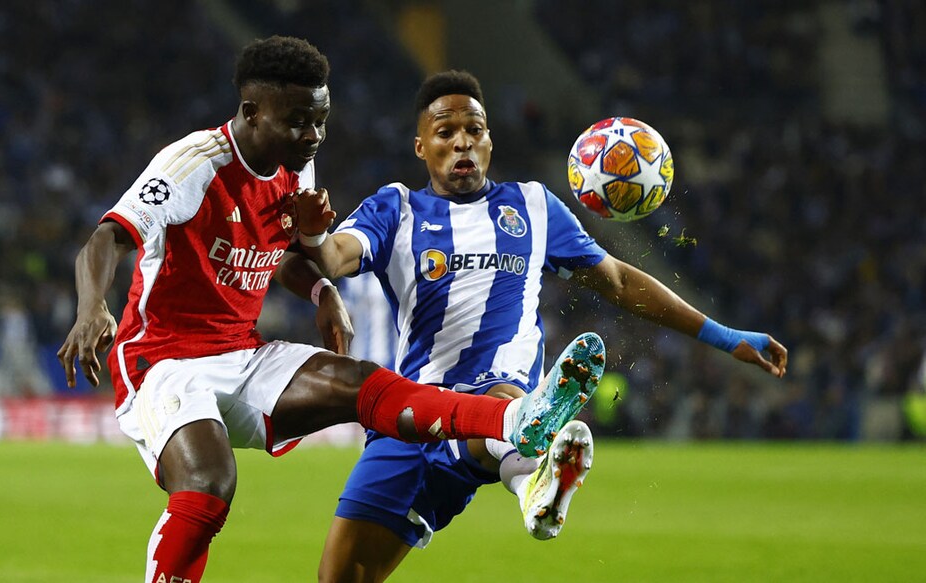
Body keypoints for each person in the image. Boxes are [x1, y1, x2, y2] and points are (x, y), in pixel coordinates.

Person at [56, 37, 593, 583]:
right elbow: (105, 238)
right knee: (211, 484)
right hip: (161, 359)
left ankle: (514, 420)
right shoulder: (192, 164)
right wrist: (92, 306)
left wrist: (322, 293)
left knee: (361, 383)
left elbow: (281, 253)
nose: (313, 136)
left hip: (240, 351)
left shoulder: (297, 165)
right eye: (297, 122)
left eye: (321, 121)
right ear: (251, 113)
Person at [293, 70, 789, 582]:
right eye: (445, 132)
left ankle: (530, 463)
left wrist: (724, 337)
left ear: (489, 141)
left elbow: (617, 280)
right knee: (340, 578)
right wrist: (312, 230)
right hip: (408, 417)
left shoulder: (531, 206)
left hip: (494, 400)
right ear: (422, 147)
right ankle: (529, 467)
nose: (462, 140)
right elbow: (331, 257)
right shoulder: (395, 208)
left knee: (503, 403)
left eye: (475, 129)